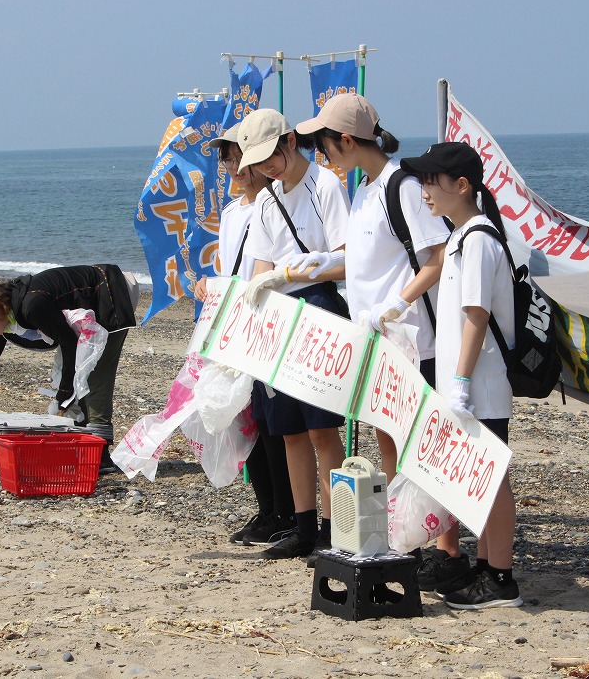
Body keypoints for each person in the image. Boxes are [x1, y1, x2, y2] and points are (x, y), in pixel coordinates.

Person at [295, 94, 472, 592]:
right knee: (387, 437)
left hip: (415, 338)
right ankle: (405, 539)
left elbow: (435, 259)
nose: (321, 155)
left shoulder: (403, 186)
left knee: (425, 444)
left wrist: (396, 305)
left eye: (323, 145)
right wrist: (316, 265)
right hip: (376, 337)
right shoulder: (363, 190)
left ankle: (447, 549)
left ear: (347, 140)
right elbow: (362, 260)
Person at [400, 142, 522, 609]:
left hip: (482, 384)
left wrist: (462, 384)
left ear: (462, 186)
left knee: (493, 478)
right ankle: (485, 565)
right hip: (465, 382)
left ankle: (500, 576)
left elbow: (477, 316)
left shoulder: (479, 239)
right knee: (478, 476)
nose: (425, 190)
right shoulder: (459, 238)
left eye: (433, 181)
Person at [235, 108, 351, 559]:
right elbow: (260, 269)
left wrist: (288, 273)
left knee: (322, 428)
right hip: (278, 316)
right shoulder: (266, 201)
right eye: (257, 162)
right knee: (288, 431)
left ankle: (336, 527)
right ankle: (303, 527)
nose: (266, 167)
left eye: (270, 155)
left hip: (319, 309)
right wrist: (259, 293)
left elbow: (346, 260)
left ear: (289, 141)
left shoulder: (325, 185)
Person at [195, 125, 296, 546]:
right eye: (226, 160)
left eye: (235, 157)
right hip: (236, 324)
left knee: (274, 423)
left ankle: (287, 512)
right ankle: (267, 509)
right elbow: (230, 271)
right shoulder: (235, 211)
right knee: (246, 418)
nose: (231, 167)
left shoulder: (273, 204)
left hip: (267, 322)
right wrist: (208, 288)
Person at [0, 264, 138, 473]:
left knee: (92, 377)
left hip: (109, 292)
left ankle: (101, 457)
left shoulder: (31, 306)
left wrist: (65, 393)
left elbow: (69, 343)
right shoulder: (3, 322)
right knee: (69, 382)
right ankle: (84, 447)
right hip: (79, 315)